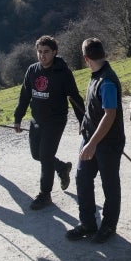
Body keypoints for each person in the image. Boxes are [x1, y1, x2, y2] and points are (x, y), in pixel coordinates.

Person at [13, 35, 86, 210]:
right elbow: (24, 96)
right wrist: (17, 118)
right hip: (37, 119)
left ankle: (45, 195)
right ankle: (62, 168)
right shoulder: (32, 70)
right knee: (37, 154)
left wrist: (83, 121)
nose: (42, 56)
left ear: (54, 52)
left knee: (45, 156)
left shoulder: (63, 73)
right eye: (39, 52)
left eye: (46, 52)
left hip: (55, 121)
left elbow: (75, 98)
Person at [66, 37, 125, 244]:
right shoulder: (96, 75)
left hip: (107, 143)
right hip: (90, 137)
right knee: (82, 178)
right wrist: (85, 126)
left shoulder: (107, 81)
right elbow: (94, 109)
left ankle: (108, 226)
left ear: (85, 58)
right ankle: (88, 224)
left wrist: (92, 144)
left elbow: (109, 115)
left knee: (109, 185)